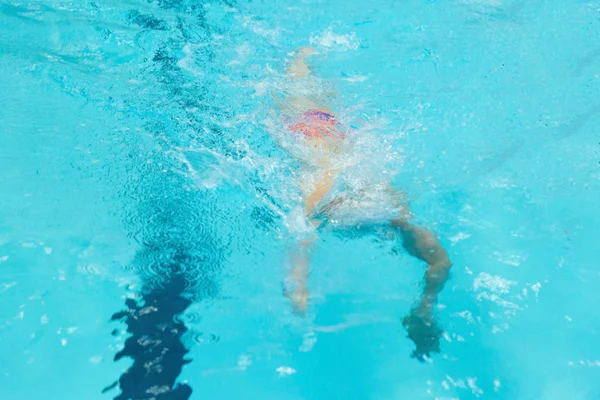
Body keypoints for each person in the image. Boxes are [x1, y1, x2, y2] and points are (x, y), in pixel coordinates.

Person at [273, 47, 452, 360]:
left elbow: (303, 236)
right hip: (310, 128)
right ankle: (303, 55)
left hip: (321, 130)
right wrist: (298, 280)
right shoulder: (337, 189)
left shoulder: (369, 194)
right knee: (300, 81)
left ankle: (305, 56)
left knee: (305, 84)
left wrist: (299, 282)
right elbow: (303, 234)